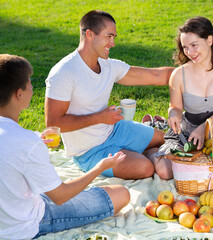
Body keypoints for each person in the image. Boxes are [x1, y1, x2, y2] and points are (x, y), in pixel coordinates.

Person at [0, 54, 130, 239]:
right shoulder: (27, 142)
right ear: (19, 94)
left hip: (10, 211)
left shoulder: (26, 140)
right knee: (121, 194)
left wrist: (36, 139)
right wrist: (99, 167)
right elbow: (60, 197)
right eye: (29, 83)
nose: (32, 88)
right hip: (24, 224)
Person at [45, 10, 173, 180]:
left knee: (165, 139)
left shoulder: (109, 66)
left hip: (116, 129)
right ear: (90, 34)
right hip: (89, 151)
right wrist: (99, 118)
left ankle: (143, 150)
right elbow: (53, 123)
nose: (113, 43)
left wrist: (197, 72)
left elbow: (155, 75)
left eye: (114, 37)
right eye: (109, 36)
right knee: (144, 169)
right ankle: (143, 153)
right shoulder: (64, 73)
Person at [154, 17, 213, 180]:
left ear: (209, 40)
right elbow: (175, 106)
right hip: (186, 132)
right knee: (165, 171)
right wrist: (173, 113)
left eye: (194, 45)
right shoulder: (179, 74)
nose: (189, 52)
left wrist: (203, 129)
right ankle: (152, 152)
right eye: (185, 47)